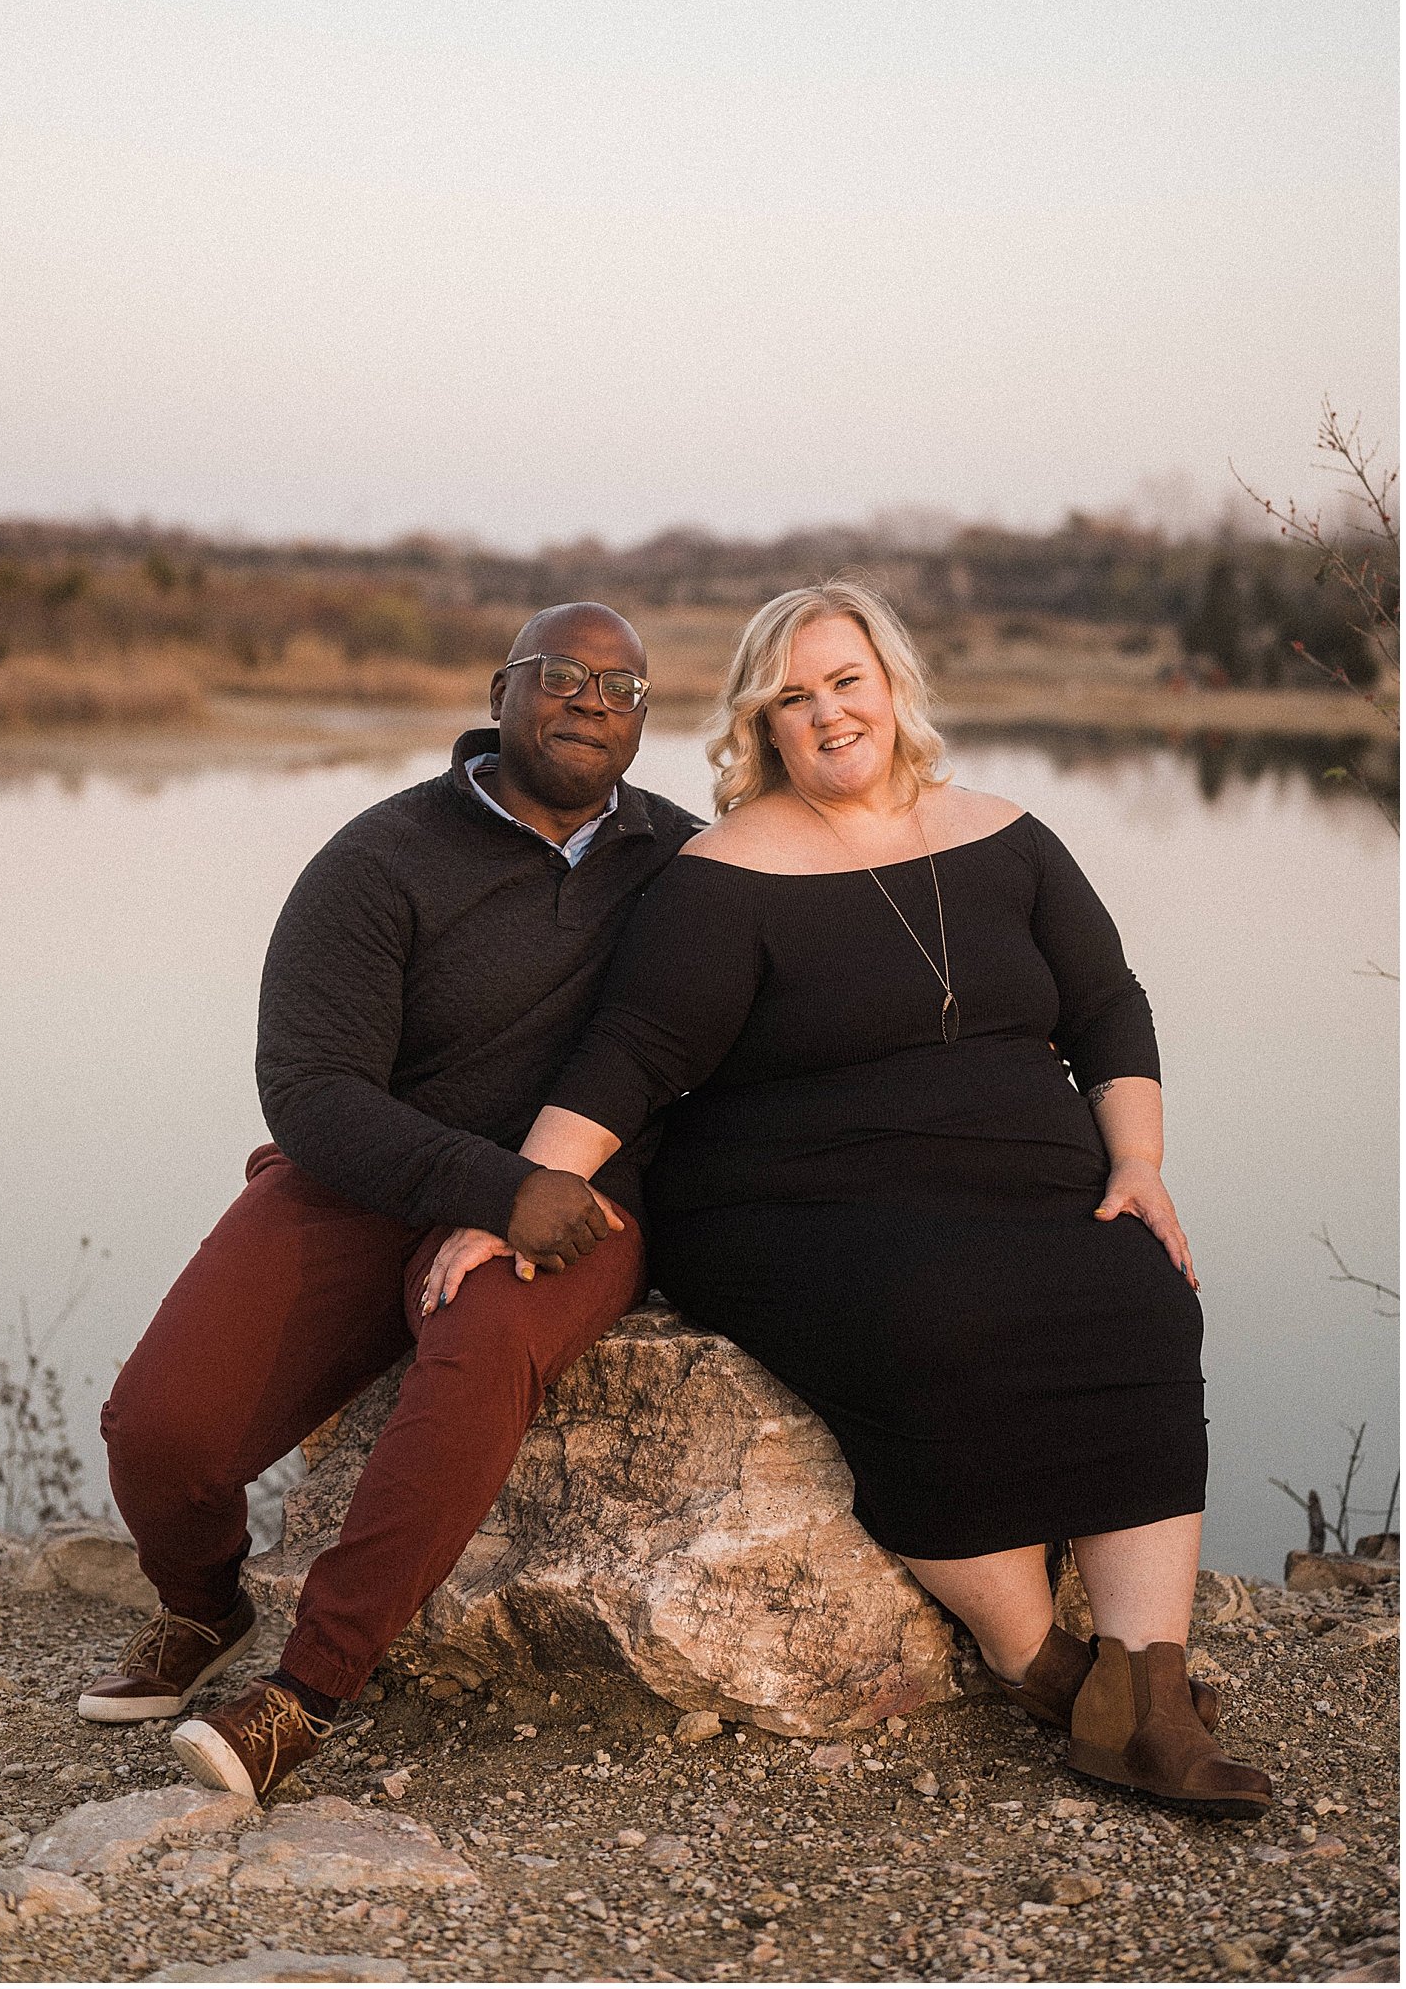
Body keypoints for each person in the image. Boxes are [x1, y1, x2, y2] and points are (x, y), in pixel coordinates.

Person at [477, 579, 1272, 1816]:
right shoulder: (725, 873)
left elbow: (1109, 1006)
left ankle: (1148, 1695)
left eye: (847, 681)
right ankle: (1037, 1664)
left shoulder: (1009, 835)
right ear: (763, 729)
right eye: (793, 699)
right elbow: (628, 1056)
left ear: (894, 688)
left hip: (1025, 1181)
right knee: (935, 1312)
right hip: (795, 1202)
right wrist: (515, 1194)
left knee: (1140, 1289)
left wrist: (1139, 1164)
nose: (828, 714)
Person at [80, 602, 700, 1802]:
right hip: (368, 1176)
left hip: (578, 1199)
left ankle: (306, 1692)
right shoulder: (379, 858)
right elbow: (308, 1087)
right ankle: (203, 1607)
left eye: (621, 687)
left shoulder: (683, 862)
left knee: (480, 1356)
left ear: (642, 720)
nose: (591, 700)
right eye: (561, 674)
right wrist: (488, 1185)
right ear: (498, 691)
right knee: (160, 1429)